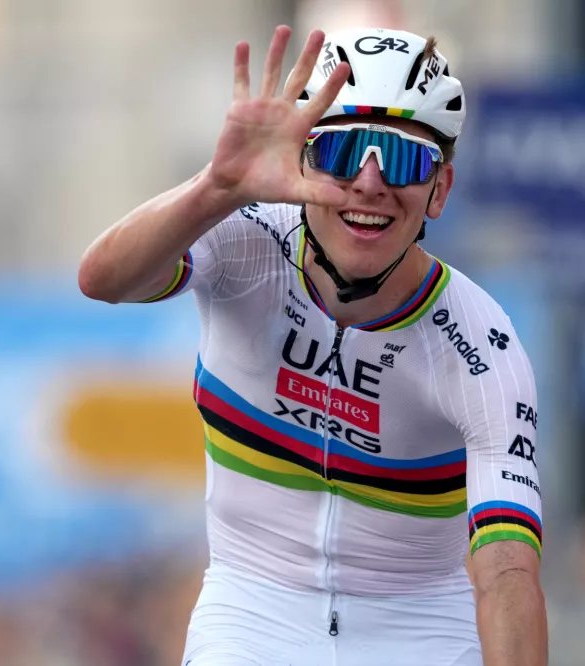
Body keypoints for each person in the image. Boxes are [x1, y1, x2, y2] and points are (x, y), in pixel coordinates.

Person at [79, 24, 546, 666]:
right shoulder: (243, 239)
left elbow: (508, 572)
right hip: (251, 614)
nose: (369, 184)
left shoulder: (479, 346)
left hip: (421, 630)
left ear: (439, 189)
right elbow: (102, 281)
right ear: (304, 160)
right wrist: (217, 188)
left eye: (403, 159)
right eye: (344, 150)